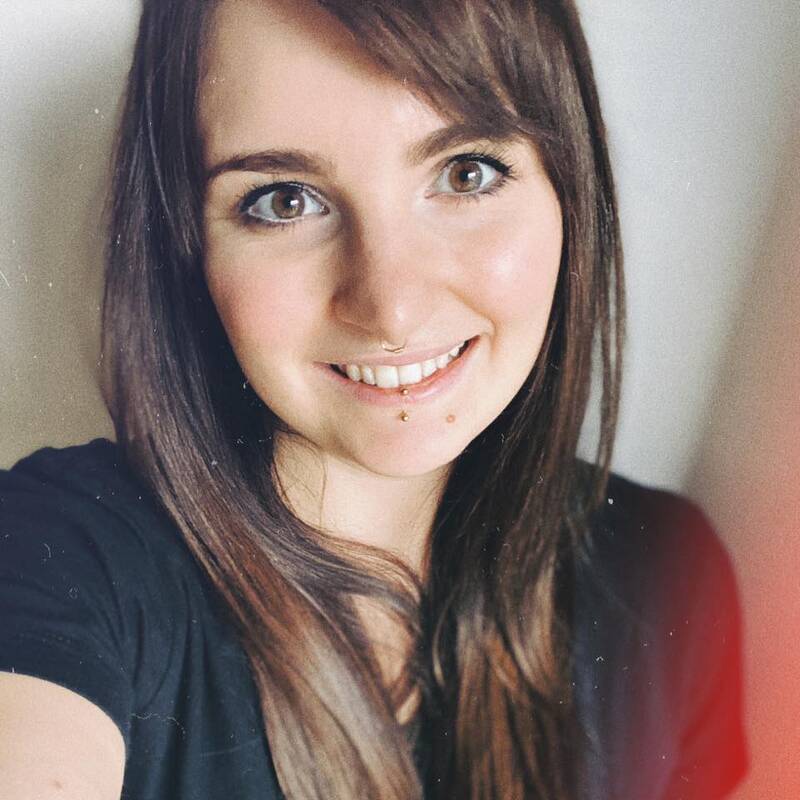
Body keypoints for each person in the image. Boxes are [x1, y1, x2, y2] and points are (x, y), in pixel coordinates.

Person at [0, 0, 747, 798]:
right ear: (187, 246)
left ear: (570, 188)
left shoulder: (670, 574)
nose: (390, 308)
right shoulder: (59, 553)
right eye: (285, 200)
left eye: (466, 173)